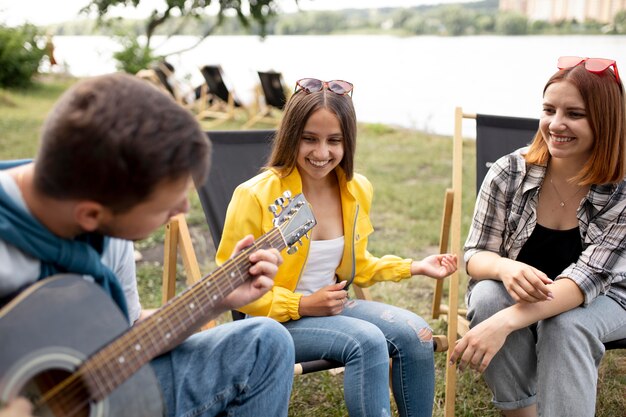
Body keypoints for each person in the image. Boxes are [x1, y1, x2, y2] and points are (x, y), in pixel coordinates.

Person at [0, 73, 294, 417]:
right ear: (91, 214)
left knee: (263, 342)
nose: (183, 210)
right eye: (166, 208)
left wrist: (220, 299)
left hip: (101, 389)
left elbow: (128, 334)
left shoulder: (109, 229)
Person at [216, 78, 457, 417]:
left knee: (416, 334)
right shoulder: (256, 195)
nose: (321, 152)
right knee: (367, 341)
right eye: (309, 139)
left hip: (331, 309)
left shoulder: (356, 189)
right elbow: (230, 288)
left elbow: (356, 264)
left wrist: (414, 266)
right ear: (291, 137)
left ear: (348, 142)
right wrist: (301, 303)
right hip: (270, 321)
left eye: (334, 141)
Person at [450, 56, 626, 417]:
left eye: (574, 114)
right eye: (549, 110)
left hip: (612, 295)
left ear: (605, 122)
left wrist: (505, 322)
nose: (556, 124)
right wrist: (503, 268)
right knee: (486, 296)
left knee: (566, 322)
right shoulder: (509, 171)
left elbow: (586, 282)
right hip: (530, 292)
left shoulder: (621, 189)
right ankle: (521, 412)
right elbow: (475, 254)